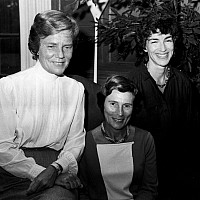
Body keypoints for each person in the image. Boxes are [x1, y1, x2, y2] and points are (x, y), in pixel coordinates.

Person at [0, 10, 84, 200]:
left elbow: (76, 142)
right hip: (13, 171)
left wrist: (56, 168)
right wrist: (39, 172)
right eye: (51, 46)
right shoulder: (9, 86)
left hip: (58, 167)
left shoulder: (76, 89)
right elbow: (3, 148)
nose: (60, 55)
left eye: (67, 47)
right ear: (37, 46)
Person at [127, 11, 199, 200]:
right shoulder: (130, 85)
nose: (162, 48)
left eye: (167, 40)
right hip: (141, 177)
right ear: (144, 46)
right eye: (154, 41)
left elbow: (191, 136)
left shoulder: (184, 83)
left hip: (179, 174)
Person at [78, 75, 158, 200]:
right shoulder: (85, 141)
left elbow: (149, 189)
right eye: (113, 104)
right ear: (102, 104)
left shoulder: (145, 139)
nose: (120, 113)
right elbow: (82, 193)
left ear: (134, 108)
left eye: (126, 106)